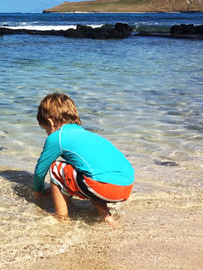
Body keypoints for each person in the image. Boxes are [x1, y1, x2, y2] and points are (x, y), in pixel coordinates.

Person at [33, 93, 134, 227]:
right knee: (88, 170)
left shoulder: (58, 136)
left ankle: (61, 217)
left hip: (103, 188)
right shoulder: (89, 136)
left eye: (46, 130)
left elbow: (40, 171)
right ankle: (106, 217)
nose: (47, 134)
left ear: (51, 123)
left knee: (55, 168)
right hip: (126, 187)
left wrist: (38, 192)